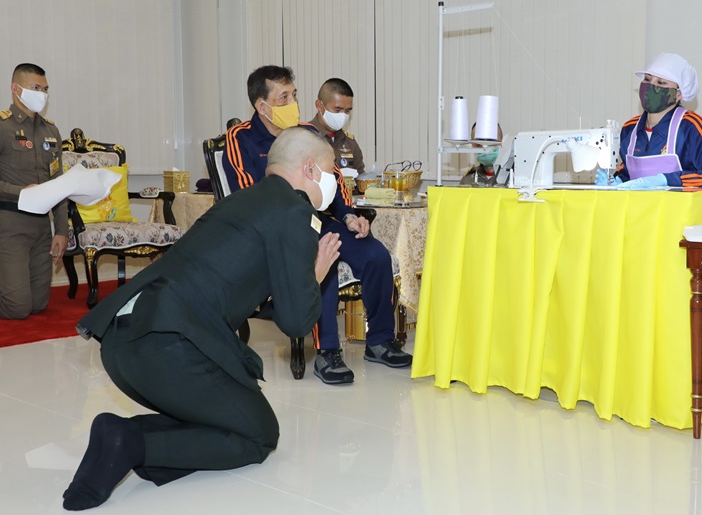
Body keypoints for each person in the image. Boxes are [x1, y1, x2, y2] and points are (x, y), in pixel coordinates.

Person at [61, 128, 343, 511]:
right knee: (258, 434)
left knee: (228, 417)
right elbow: (295, 323)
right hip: (167, 346)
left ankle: (120, 436)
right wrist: (316, 273)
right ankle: (131, 442)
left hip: (124, 343)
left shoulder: (242, 200)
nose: (335, 181)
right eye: (332, 171)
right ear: (310, 169)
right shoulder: (294, 211)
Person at [225, 66, 411, 385]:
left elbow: (334, 180)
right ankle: (328, 352)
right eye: (283, 97)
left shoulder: (306, 134)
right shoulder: (239, 137)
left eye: (293, 95)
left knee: (376, 255)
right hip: (272, 232)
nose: (293, 103)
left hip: (317, 220)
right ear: (261, 106)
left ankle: (379, 341)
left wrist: (350, 215)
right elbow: (247, 195)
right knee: (319, 261)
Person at [595, 53, 702, 189]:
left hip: (679, 209)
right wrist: (617, 181)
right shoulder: (630, 128)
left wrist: (666, 180)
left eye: (661, 82)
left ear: (678, 94)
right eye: (647, 80)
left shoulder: (691, 126)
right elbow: (628, 173)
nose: (650, 86)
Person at [0, 63, 67, 320]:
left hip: (41, 228)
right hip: (10, 225)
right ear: (15, 89)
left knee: (38, 305)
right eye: (35, 88)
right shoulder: (3, 127)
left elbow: (58, 183)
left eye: (45, 89)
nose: (42, 94)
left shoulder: (51, 131)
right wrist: (21, 192)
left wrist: (61, 231)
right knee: (17, 308)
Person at [308, 78, 365, 173]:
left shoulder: (350, 143)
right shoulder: (303, 138)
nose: (343, 116)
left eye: (347, 111)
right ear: (319, 106)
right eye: (337, 110)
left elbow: (360, 181)